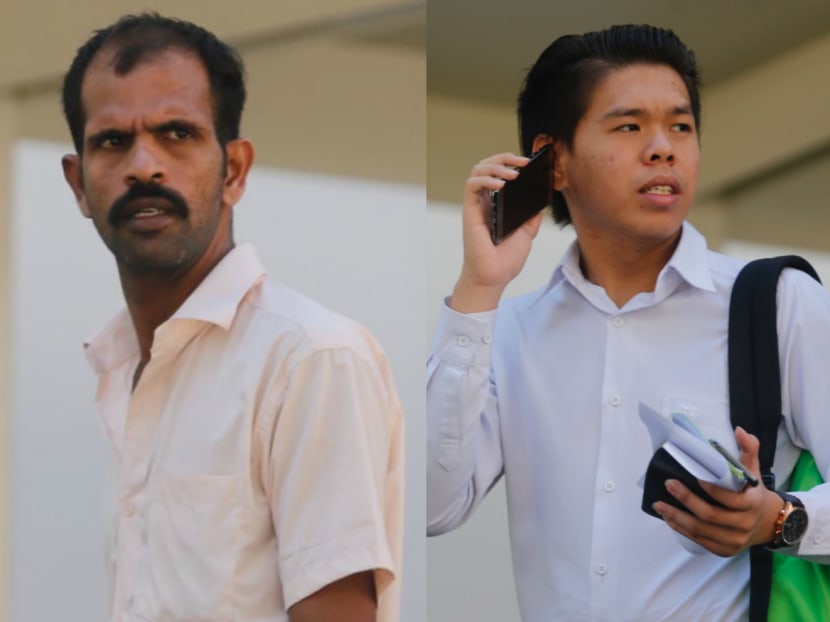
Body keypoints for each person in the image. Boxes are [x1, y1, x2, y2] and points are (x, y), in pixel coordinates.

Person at [426, 24, 830, 621]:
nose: (663, 147)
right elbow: (433, 507)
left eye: (681, 126)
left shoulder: (779, 304)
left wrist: (781, 519)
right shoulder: (510, 328)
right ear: (553, 161)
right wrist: (479, 287)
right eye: (630, 125)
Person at [61, 13, 403, 622]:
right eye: (112, 141)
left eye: (177, 134)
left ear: (235, 170)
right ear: (79, 185)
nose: (144, 166)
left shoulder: (309, 359)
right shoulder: (121, 369)